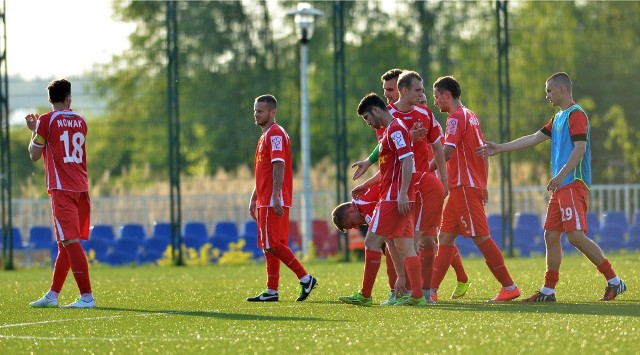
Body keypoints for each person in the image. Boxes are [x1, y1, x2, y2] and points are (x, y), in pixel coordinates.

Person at [477, 72, 627, 302]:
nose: (546, 95)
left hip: (573, 183)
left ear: (562, 90)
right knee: (551, 235)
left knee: (575, 236)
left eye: (549, 90)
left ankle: (614, 281)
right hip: (561, 187)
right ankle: (548, 291)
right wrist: (500, 148)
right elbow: (533, 138)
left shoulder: (576, 114)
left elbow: (580, 149)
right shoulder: (558, 118)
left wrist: (560, 176)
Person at [429, 75, 520, 302]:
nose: (435, 102)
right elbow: (484, 151)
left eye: (436, 97)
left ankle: (509, 286)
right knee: (446, 237)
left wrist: (426, 171)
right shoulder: (471, 116)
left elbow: (447, 152)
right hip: (468, 186)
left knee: (481, 237)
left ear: (446, 95)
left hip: (464, 186)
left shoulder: (454, 118)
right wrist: (484, 183)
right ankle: (429, 291)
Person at [338, 93, 427, 307]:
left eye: (367, 118)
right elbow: (393, 166)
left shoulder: (395, 129)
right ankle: (417, 296)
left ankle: (365, 294)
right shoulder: (391, 131)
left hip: (393, 197)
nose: (368, 123)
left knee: (371, 241)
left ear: (376, 110)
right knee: (405, 246)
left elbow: (408, 160)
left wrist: (403, 192)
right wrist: (368, 177)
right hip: (399, 196)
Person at [26, 79, 96, 308]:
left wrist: (34, 131)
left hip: (62, 189)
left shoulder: (46, 120)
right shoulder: (82, 120)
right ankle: (53, 295)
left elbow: (35, 154)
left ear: (50, 100)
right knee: (65, 243)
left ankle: (87, 296)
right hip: (82, 188)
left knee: (70, 241)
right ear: (68, 98)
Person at [247, 94, 317, 302]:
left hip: (272, 198)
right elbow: (263, 171)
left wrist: (275, 194)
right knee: (271, 244)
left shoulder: (275, 133)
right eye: (255, 111)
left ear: (272, 112)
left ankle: (305, 278)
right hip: (266, 198)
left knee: (273, 244)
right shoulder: (265, 135)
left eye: (260, 111)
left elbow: (279, 165)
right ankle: (271, 290)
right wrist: (254, 197)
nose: (256, 115)